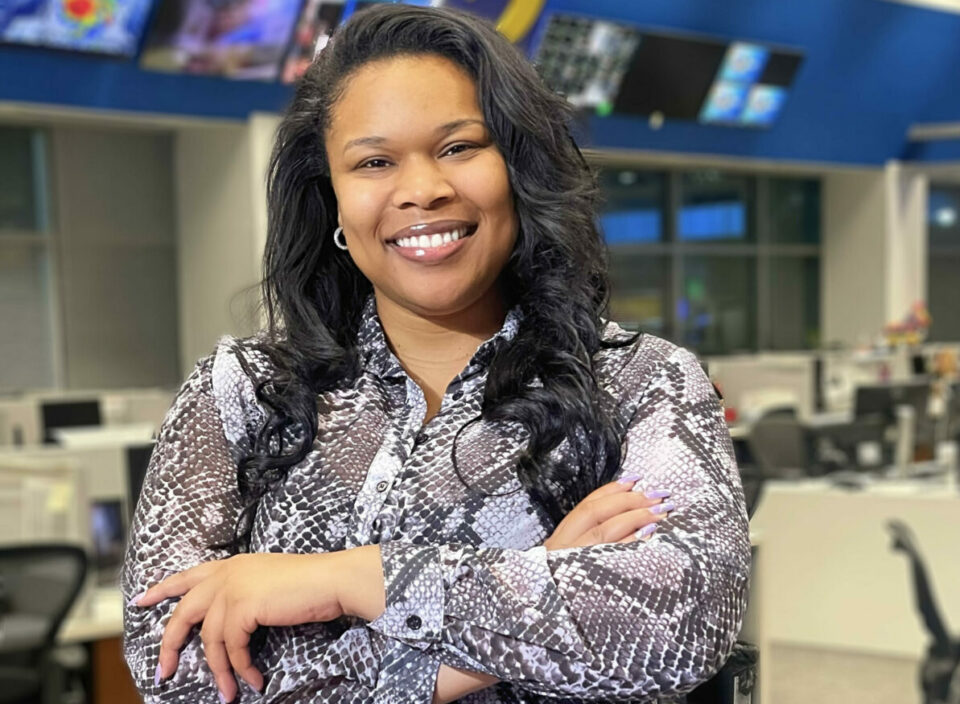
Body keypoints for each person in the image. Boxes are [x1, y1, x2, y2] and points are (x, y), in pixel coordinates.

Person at [121, 5, 751, 703]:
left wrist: (346, 579)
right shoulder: (241, 390)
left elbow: (685, 621)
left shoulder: (641, 381)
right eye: (374, 162)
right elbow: (172, 672)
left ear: (517, 168)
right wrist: (536, 582)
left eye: (459, 147)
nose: (423, 190)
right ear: (332, 198)